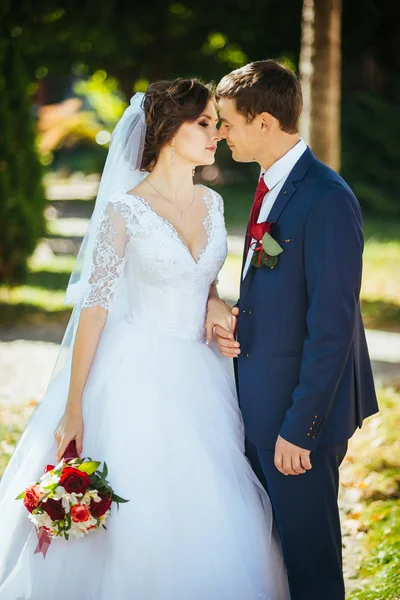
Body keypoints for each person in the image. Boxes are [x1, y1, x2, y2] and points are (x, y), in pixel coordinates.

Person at [0, 79, 289, 600]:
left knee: (209, 499)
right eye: (203, 122)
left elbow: (205, 281)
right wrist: (74, 407)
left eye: (215, 123)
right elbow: (95, 308)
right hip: (135, 371)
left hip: (201, 374)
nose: (216, 134)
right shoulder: (125, 209)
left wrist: (215, 302)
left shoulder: (213, 202)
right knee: (140, 503)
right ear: (166, 130)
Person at [214, 60, 379, 600]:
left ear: (264, 122)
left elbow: (332, 326)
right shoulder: (270, 185)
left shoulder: (327, 198)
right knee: (278, 560)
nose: (221, 135)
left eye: (228, 122)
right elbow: (279, 292)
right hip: (264, 403)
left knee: (311, 568)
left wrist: (300, 429)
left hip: (300, 419)